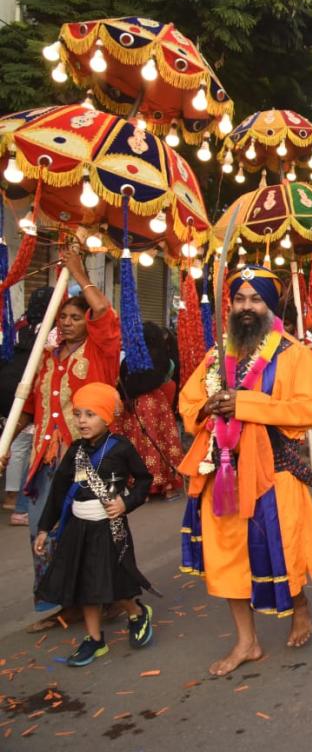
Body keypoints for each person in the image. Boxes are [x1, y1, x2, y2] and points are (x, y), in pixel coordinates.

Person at [177, 264, 312, 676]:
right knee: (228, 562)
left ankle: (300, 605)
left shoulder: (295, 354)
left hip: (275, 474)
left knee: (283, 554)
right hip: (221, 476)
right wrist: (207, 407)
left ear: (270, 305)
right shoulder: (215, 356)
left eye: (255, 299)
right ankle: (248, 641)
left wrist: (244, 404)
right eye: (240, 299)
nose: (246, 307)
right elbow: (187, 404)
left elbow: (306, 411)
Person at [0, 246, 120, 631]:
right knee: (42, 532)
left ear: (87, 323)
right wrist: (6, 444)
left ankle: (102, 599)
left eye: (74, 317)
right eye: (62, 317)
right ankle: (63, 604)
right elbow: (32, 411)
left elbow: (105, 314)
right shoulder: (46, 358)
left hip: (85, 461)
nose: (67, 323)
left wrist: (80, 273)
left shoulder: (100, 353)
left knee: (87, 533)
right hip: (43, 460)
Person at [34, 383, 155, 666]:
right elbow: (59, 490)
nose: (82, 421)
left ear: (106, 417)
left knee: (114, 580)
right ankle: (94, 639)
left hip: (109, 527)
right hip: (79, 527)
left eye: (90, 414)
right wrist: (43, 527)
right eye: (78, 414)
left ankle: (136, 612)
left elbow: (144, 481)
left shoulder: (121, 448)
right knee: (84, 582)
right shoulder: (75, 451)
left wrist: (126, 503)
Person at [112, 323, 185, 499]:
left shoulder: (130, 360)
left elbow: (122, 382)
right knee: (161, 441)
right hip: (157, 405)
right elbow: (168, 380)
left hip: (133, 406)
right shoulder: (165, 360)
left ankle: (140, 488)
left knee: (137, 443)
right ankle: (167, 487)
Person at [1, 286, 55, 523]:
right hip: (26, 390)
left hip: (10, 388)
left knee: (17, 443)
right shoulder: (51, 333)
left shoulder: (18, 325)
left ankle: (13, 497)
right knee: (30, 446)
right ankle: (19, 503)